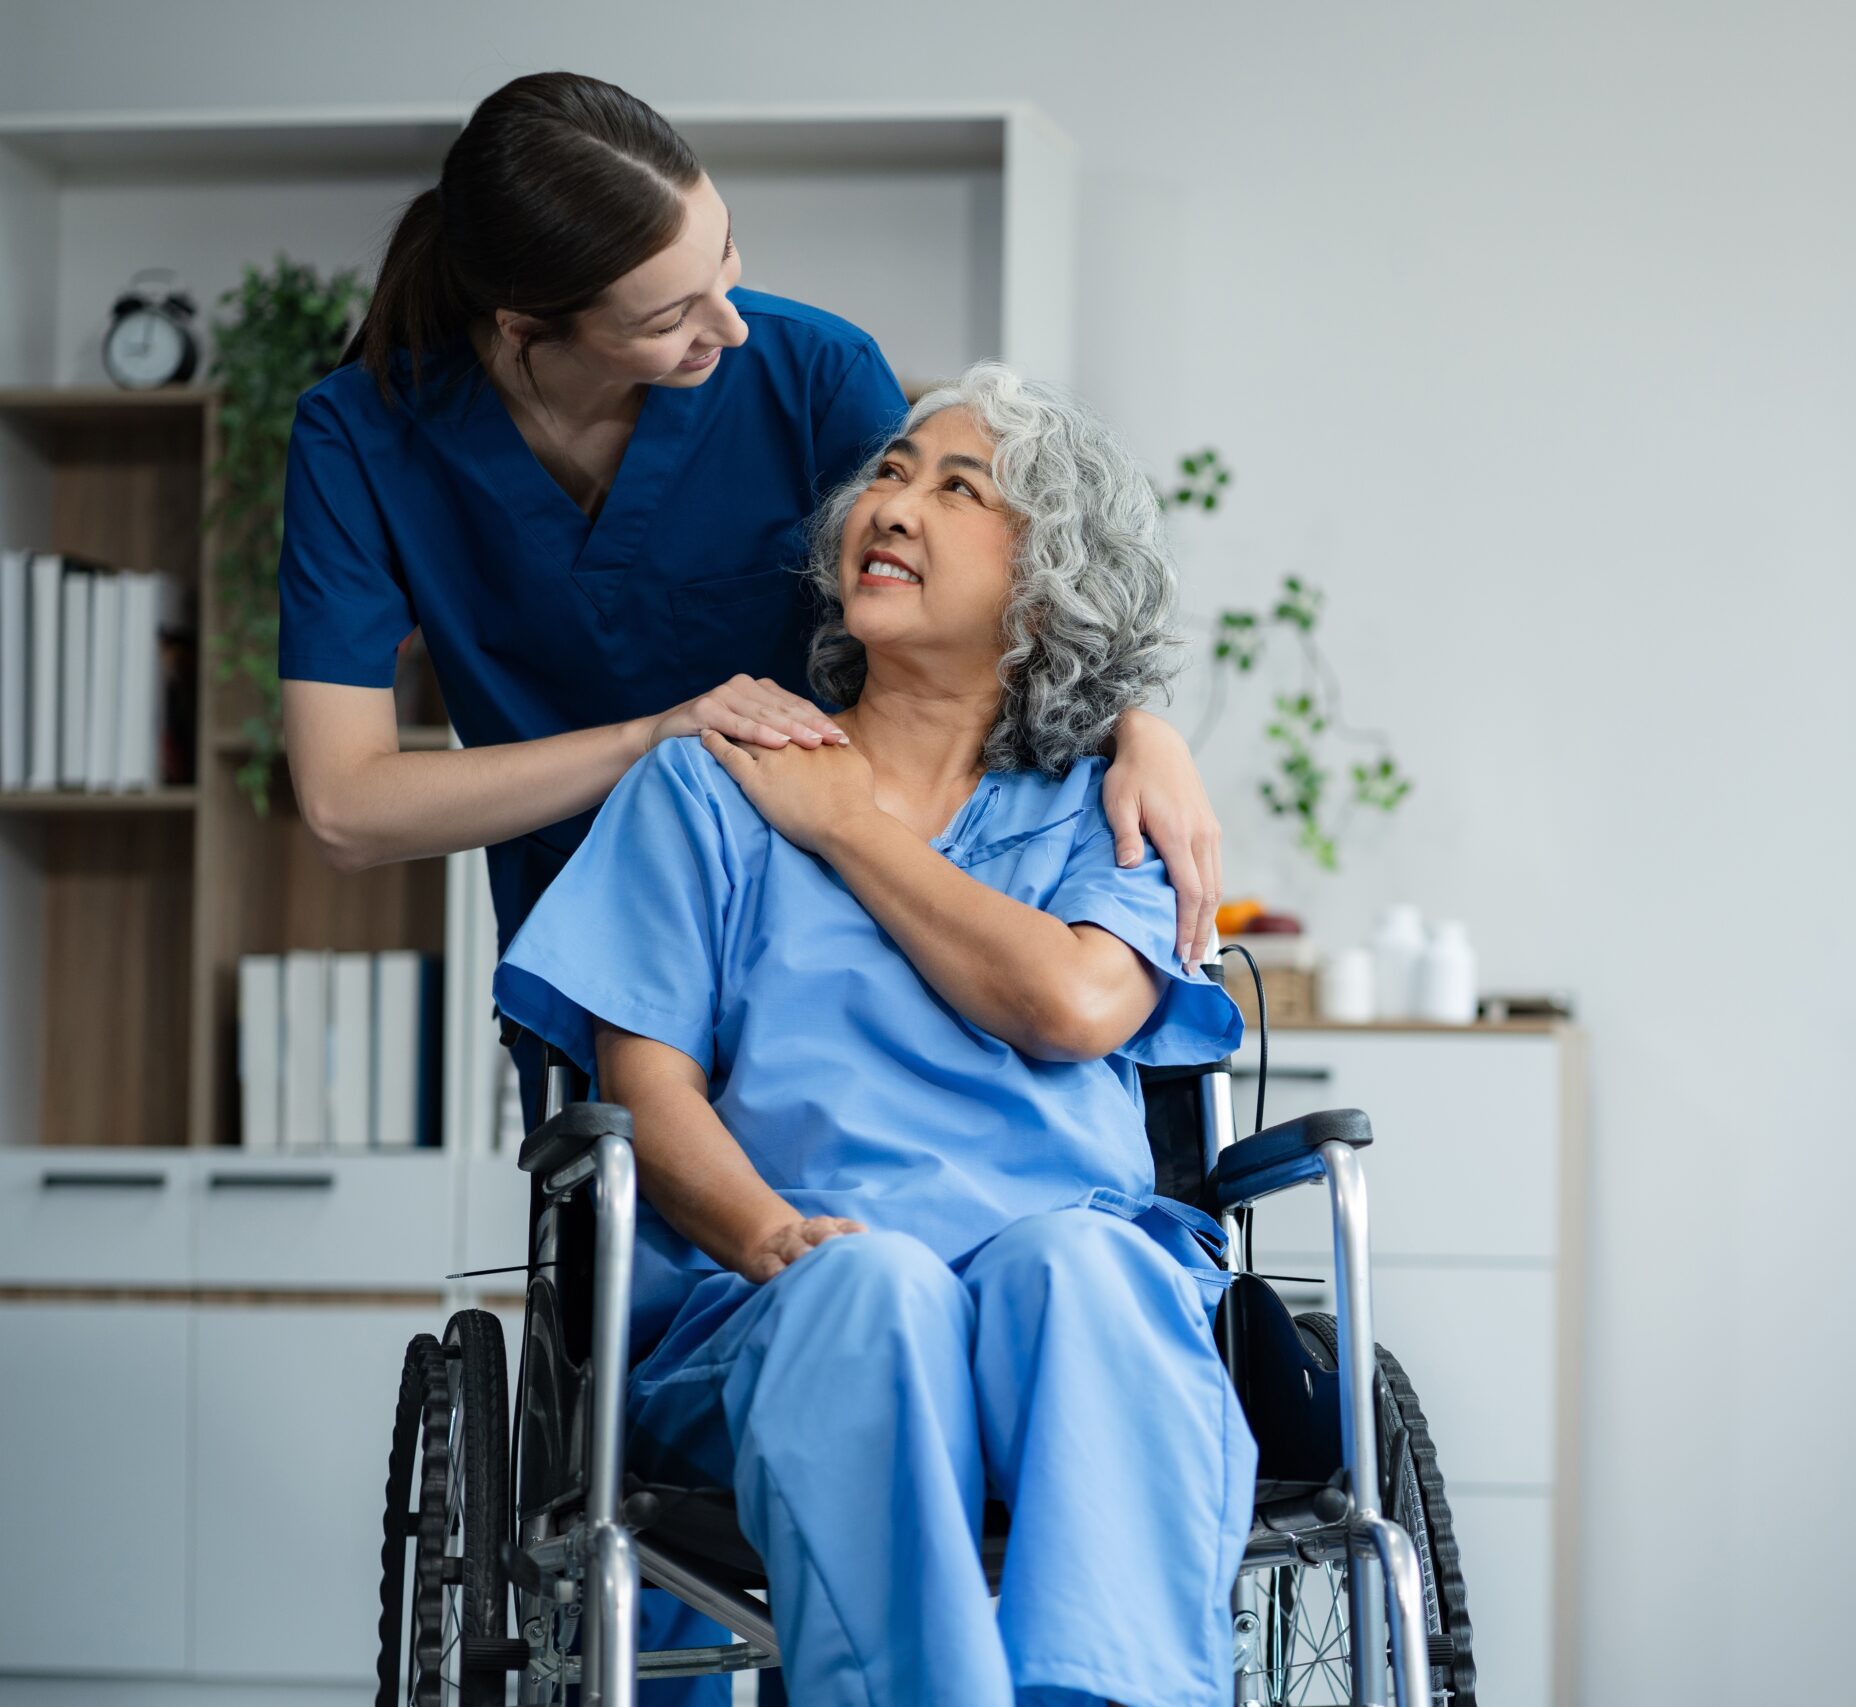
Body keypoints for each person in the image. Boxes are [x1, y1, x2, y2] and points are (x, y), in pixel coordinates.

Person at [495, 363, 1252, 1707]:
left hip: (1061, 1300)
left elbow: (1077, 1004)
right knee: (876, 1286)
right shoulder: (710, 785)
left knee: (1083, 1263)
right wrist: (763, 1233)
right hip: (789, 1295)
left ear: (1041, 589)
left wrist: (851, 823)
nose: (893, 503)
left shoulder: (1108, 811)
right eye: (890, 472)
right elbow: (643, 1081)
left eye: (958, 487)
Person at [275, 70, 1224, 1063]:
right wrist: (657, 736)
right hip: (623, 953)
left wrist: (1137, 729)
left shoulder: (808, 372)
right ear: (527, 329)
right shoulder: (362, 437)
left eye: (723, 253)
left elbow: (958, 596)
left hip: (839, 925)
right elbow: (347, 806)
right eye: (666, 319)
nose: (729, 327)